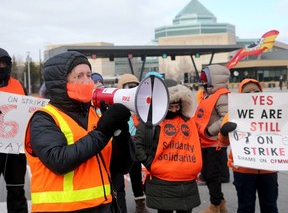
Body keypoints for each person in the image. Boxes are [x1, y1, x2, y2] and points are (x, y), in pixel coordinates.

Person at [24, 51, 135, 212]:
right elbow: (59, 161)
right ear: (61, 82)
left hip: (102, 206)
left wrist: (121, 134)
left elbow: (121, 167)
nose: (87, 81)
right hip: (61, 209)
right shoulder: (44, 119)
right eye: (79, 76)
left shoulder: (94, 115)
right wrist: (103, 132)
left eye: (89, 75)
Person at [135, 79, 202, 213]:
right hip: (163, 182)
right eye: (170, 107)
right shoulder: (152, 121)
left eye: (177, 106)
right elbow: (138, 145)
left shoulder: (189, 122)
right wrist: (150, 164)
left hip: (187, 184)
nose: (174, 109)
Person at [219, 78, 278, 213]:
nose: (252, 94)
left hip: (268, 169)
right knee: (246, 207)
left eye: (256, 91)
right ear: (241, 95)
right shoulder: (234, 113)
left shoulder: (272, 113)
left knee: (270, 206)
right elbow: (223, 142)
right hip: (243, 169)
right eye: (247, 92)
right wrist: (224, 132)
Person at [194, 64, 230, 213]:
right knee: (208, 174)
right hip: (205, 141)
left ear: (213, 78)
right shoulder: (208, 94)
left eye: (205, 77)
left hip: (215, 142)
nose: (202, 80)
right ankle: (220, 203)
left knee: (212, 175)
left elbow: (226, 117)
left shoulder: (222, 95)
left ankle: (215, 205)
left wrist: (209, 131)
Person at [111, 73, 150, 213]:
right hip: (120, 145)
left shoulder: (139, 109)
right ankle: (120, 207)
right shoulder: (114, 107)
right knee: (118, 181)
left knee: (136, 176)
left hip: (134, 145)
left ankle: (140, 205)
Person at [0, 47, 28, 213]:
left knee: (17, 191)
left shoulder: (18, 85)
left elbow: (27, 111)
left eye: (3, 63)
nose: (1, 67)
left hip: (14, 149)